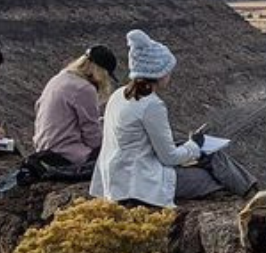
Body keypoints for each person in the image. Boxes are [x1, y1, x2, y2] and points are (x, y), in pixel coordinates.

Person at [91, 30, 256, 208]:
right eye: (169, 70)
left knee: (209, 155)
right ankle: (252, 194)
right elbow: (169, 158)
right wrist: (194, 145)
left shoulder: (119, 95)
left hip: (117, 176)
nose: (170, 75)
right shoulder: (152, 105)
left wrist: (192, 146)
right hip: (138, 183)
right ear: (160, 73)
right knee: (212, 179)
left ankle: (250, 190)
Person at [32, 45, 116, 168]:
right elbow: (92, 135)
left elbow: (38, 107)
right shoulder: (84, 89)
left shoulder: (59, 78)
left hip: (43, 148)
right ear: (101, 71)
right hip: (65, 154)